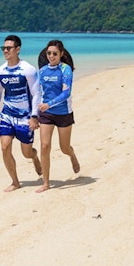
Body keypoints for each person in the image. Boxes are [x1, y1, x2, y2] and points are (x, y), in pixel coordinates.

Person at [0, 35, 43, 192]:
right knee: (5, 147)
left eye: (8, 48)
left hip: (25, 117)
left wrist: (34, 116)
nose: (5, 51)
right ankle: (15, 182)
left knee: (26, 153)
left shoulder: (28, 69)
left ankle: (34, 157)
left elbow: (36, 94)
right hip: (7, 115)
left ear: (17, 49)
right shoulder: (0, 71)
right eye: (3, 48)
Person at [35, 39, 80, 193]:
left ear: (61, 54)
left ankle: (72, 155)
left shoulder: (65, 70)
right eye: (49, 53)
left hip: (63, 113)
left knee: (64, 148)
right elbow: (38, 93)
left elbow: (66, 93)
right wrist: (34, 113)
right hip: (46, 113)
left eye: (55, 53)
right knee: (44, 146)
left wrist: (49, 104)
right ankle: (46, 182)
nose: (51, 56)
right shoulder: (42, 71)